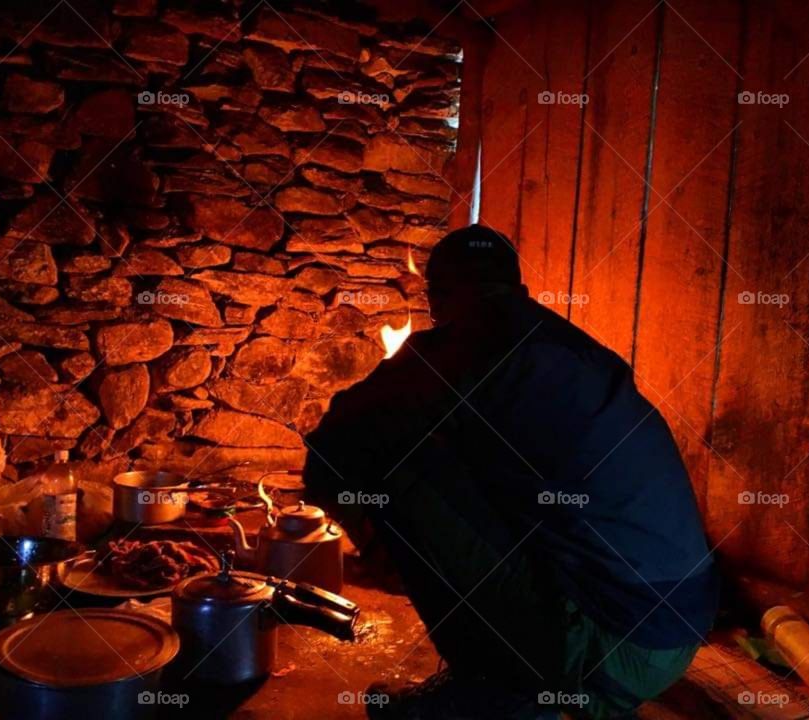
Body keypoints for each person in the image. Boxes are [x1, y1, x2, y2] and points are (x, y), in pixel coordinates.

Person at [302, 224, 719, 719]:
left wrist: (375, 546)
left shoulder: (460, 347)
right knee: (459, 472)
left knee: (397, 467)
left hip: (610, 644)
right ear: (517, 290)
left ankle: (496, 694)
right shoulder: (572, 348)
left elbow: (330, 449)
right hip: (679, 630)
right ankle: (527, 677)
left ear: (437, 300)